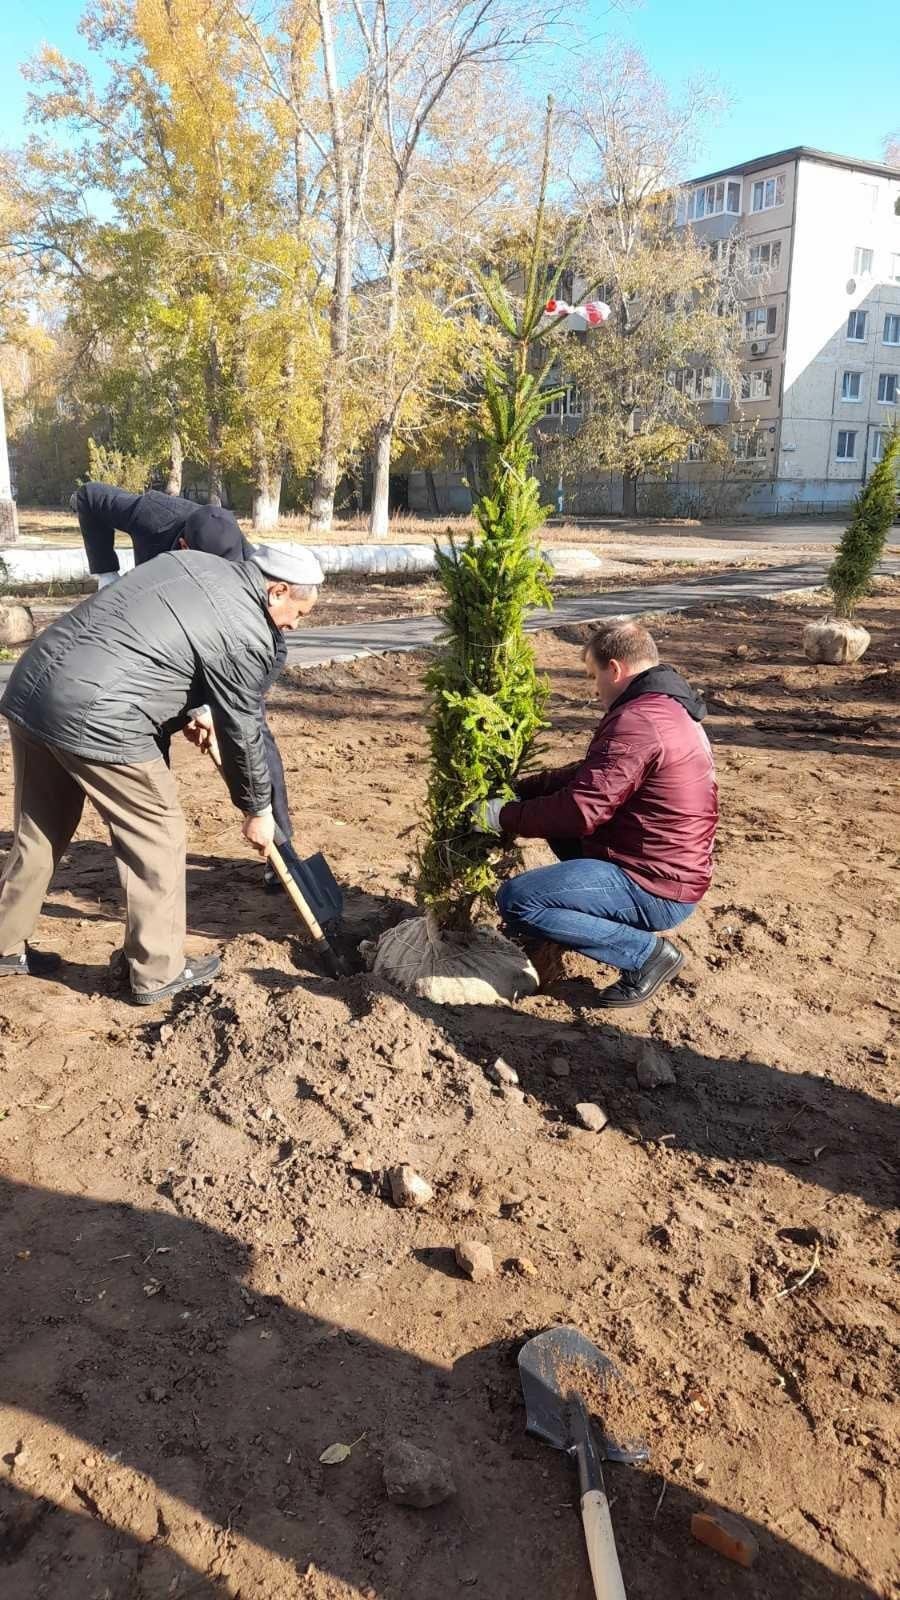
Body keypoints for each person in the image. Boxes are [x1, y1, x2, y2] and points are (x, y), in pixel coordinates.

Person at [0, 543, 320, 1005]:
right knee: (159, 834)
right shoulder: (250, 629)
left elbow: (153, 638)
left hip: (34, 688)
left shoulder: (194, 563)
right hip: (102, 715)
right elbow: (245, 730)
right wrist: (257, 809)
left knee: (40, 830)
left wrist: (194, 707)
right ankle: (158, 971)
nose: (294, 625)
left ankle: (5, 943)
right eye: (300, 612)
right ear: (278, 591)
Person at [71, 481, 305, 890]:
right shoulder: (153, 515)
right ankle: (148, 859)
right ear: (181, 547)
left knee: (254, 735)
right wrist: (106, 575)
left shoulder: (243, 561)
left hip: (213, 645)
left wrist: (215, 709)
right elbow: (88, 497)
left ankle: (281, 850)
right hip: (147, 644)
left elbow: (265, 648)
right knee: (143, 738)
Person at [475, 621, 718, 1009]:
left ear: (616, 670)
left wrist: (500, 817)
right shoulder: (666, 707)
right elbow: (589, 776)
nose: (594, 688)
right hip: (665, 865)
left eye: (594, 676)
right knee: (557, 825)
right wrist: (522, 790)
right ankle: (565, 923)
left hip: (655, 884)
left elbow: (580, 810)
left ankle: (645, 956)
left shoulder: (638, 720)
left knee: (518, 900)